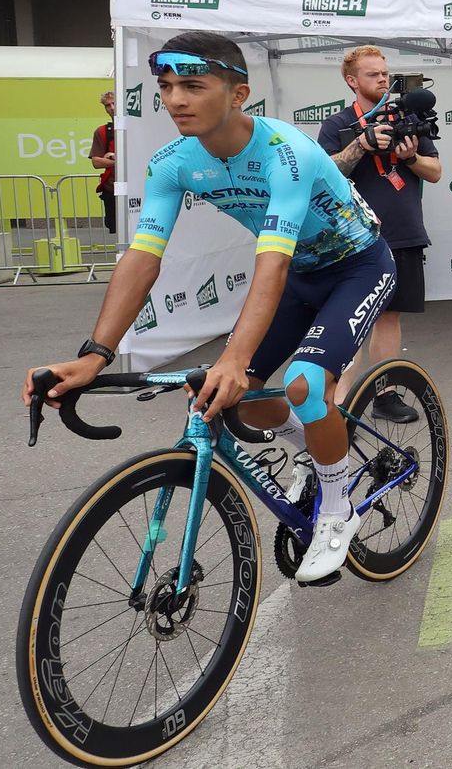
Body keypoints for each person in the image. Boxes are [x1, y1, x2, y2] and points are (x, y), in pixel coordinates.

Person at [23, 32, 393, 583]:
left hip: (357, 265)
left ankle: (337, 510)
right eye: (166, 87)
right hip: (298, 274)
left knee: (305, 386)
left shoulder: (285, 153)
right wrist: (95, 355)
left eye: (193, 86)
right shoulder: (172, 162)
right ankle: (319, 453)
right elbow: (143, 257)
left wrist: (233, 357)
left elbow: (271, 261)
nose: (175, 100)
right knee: (243, 401)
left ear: (238, 93)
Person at [318, 46, 442, 420]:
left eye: (385, 73)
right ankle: (334, 404)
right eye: (373, 74)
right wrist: (361, 144)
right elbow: (324, 174)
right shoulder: (337, 125)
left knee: (390, 316)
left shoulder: (408, 117)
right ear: (352, 81)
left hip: (403, 231)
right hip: (353, 238)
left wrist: (410, 158)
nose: (383, 79)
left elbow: (435, 171)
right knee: (352, 317)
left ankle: (384, 397)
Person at [88, 91, 117, 235]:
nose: (111, 108)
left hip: (140, 188)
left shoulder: (139, 128)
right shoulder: (102, 131)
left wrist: (113, 158)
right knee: (118, 232)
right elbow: (96, 162)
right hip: (112, 189)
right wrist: (118, 161)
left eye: (114, 103)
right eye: (107, 105)